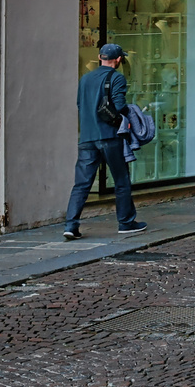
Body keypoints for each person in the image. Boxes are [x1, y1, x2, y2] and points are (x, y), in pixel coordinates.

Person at [65, 43, 145, 240]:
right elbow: (118, 106)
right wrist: (130, 115)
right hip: (109, 136)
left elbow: (79, 105)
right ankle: (126, 223)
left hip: (86, 138)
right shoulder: (117, 77)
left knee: (82, 184)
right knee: (121, 180)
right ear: (118, 60)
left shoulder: (84, 79)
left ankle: (70, 225)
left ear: (100, 57)